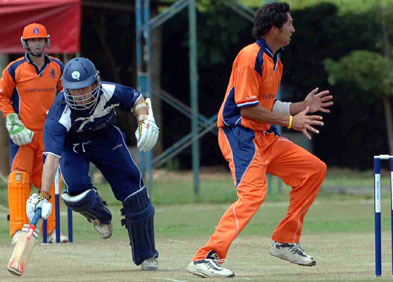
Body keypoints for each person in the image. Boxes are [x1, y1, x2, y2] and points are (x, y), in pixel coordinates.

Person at [187, 2, 334, 278]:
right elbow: (247, 108)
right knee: (253, 195)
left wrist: (300, 106)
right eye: (289, 23)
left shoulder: (275, 60)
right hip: (239, 135)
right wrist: (292, 122)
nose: (293, 28)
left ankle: (286, 241)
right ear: (273, 29)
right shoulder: (249, 56)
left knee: (314, 170)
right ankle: (205, 257)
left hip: (263, 136)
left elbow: (268, 105)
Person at [26, 57, 160, 270]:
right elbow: (51, 158)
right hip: (74, 148)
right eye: (73, 89)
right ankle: (101, 218)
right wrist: (43, 195)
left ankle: (146, 255)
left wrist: (144, 119)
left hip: (107, 141)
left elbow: (136, 99)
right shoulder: (59, 113)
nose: (79, 95)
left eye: (84, 88)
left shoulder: (109, 91)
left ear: (95, 83)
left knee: (135, 194)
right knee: (76, 194)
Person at [0, 23, 67, 244]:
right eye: (32, 40)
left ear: (46, 42)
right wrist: (11, 118)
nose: (36, 44)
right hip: (24, 136)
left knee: (50, 183)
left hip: (49, 135)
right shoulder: (14, 69)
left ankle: (51, 230)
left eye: (40, 40)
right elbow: (3, 97)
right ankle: (18, 229)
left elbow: (65, 97)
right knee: (20, 179)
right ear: (25, 43)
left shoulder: (57, 67)